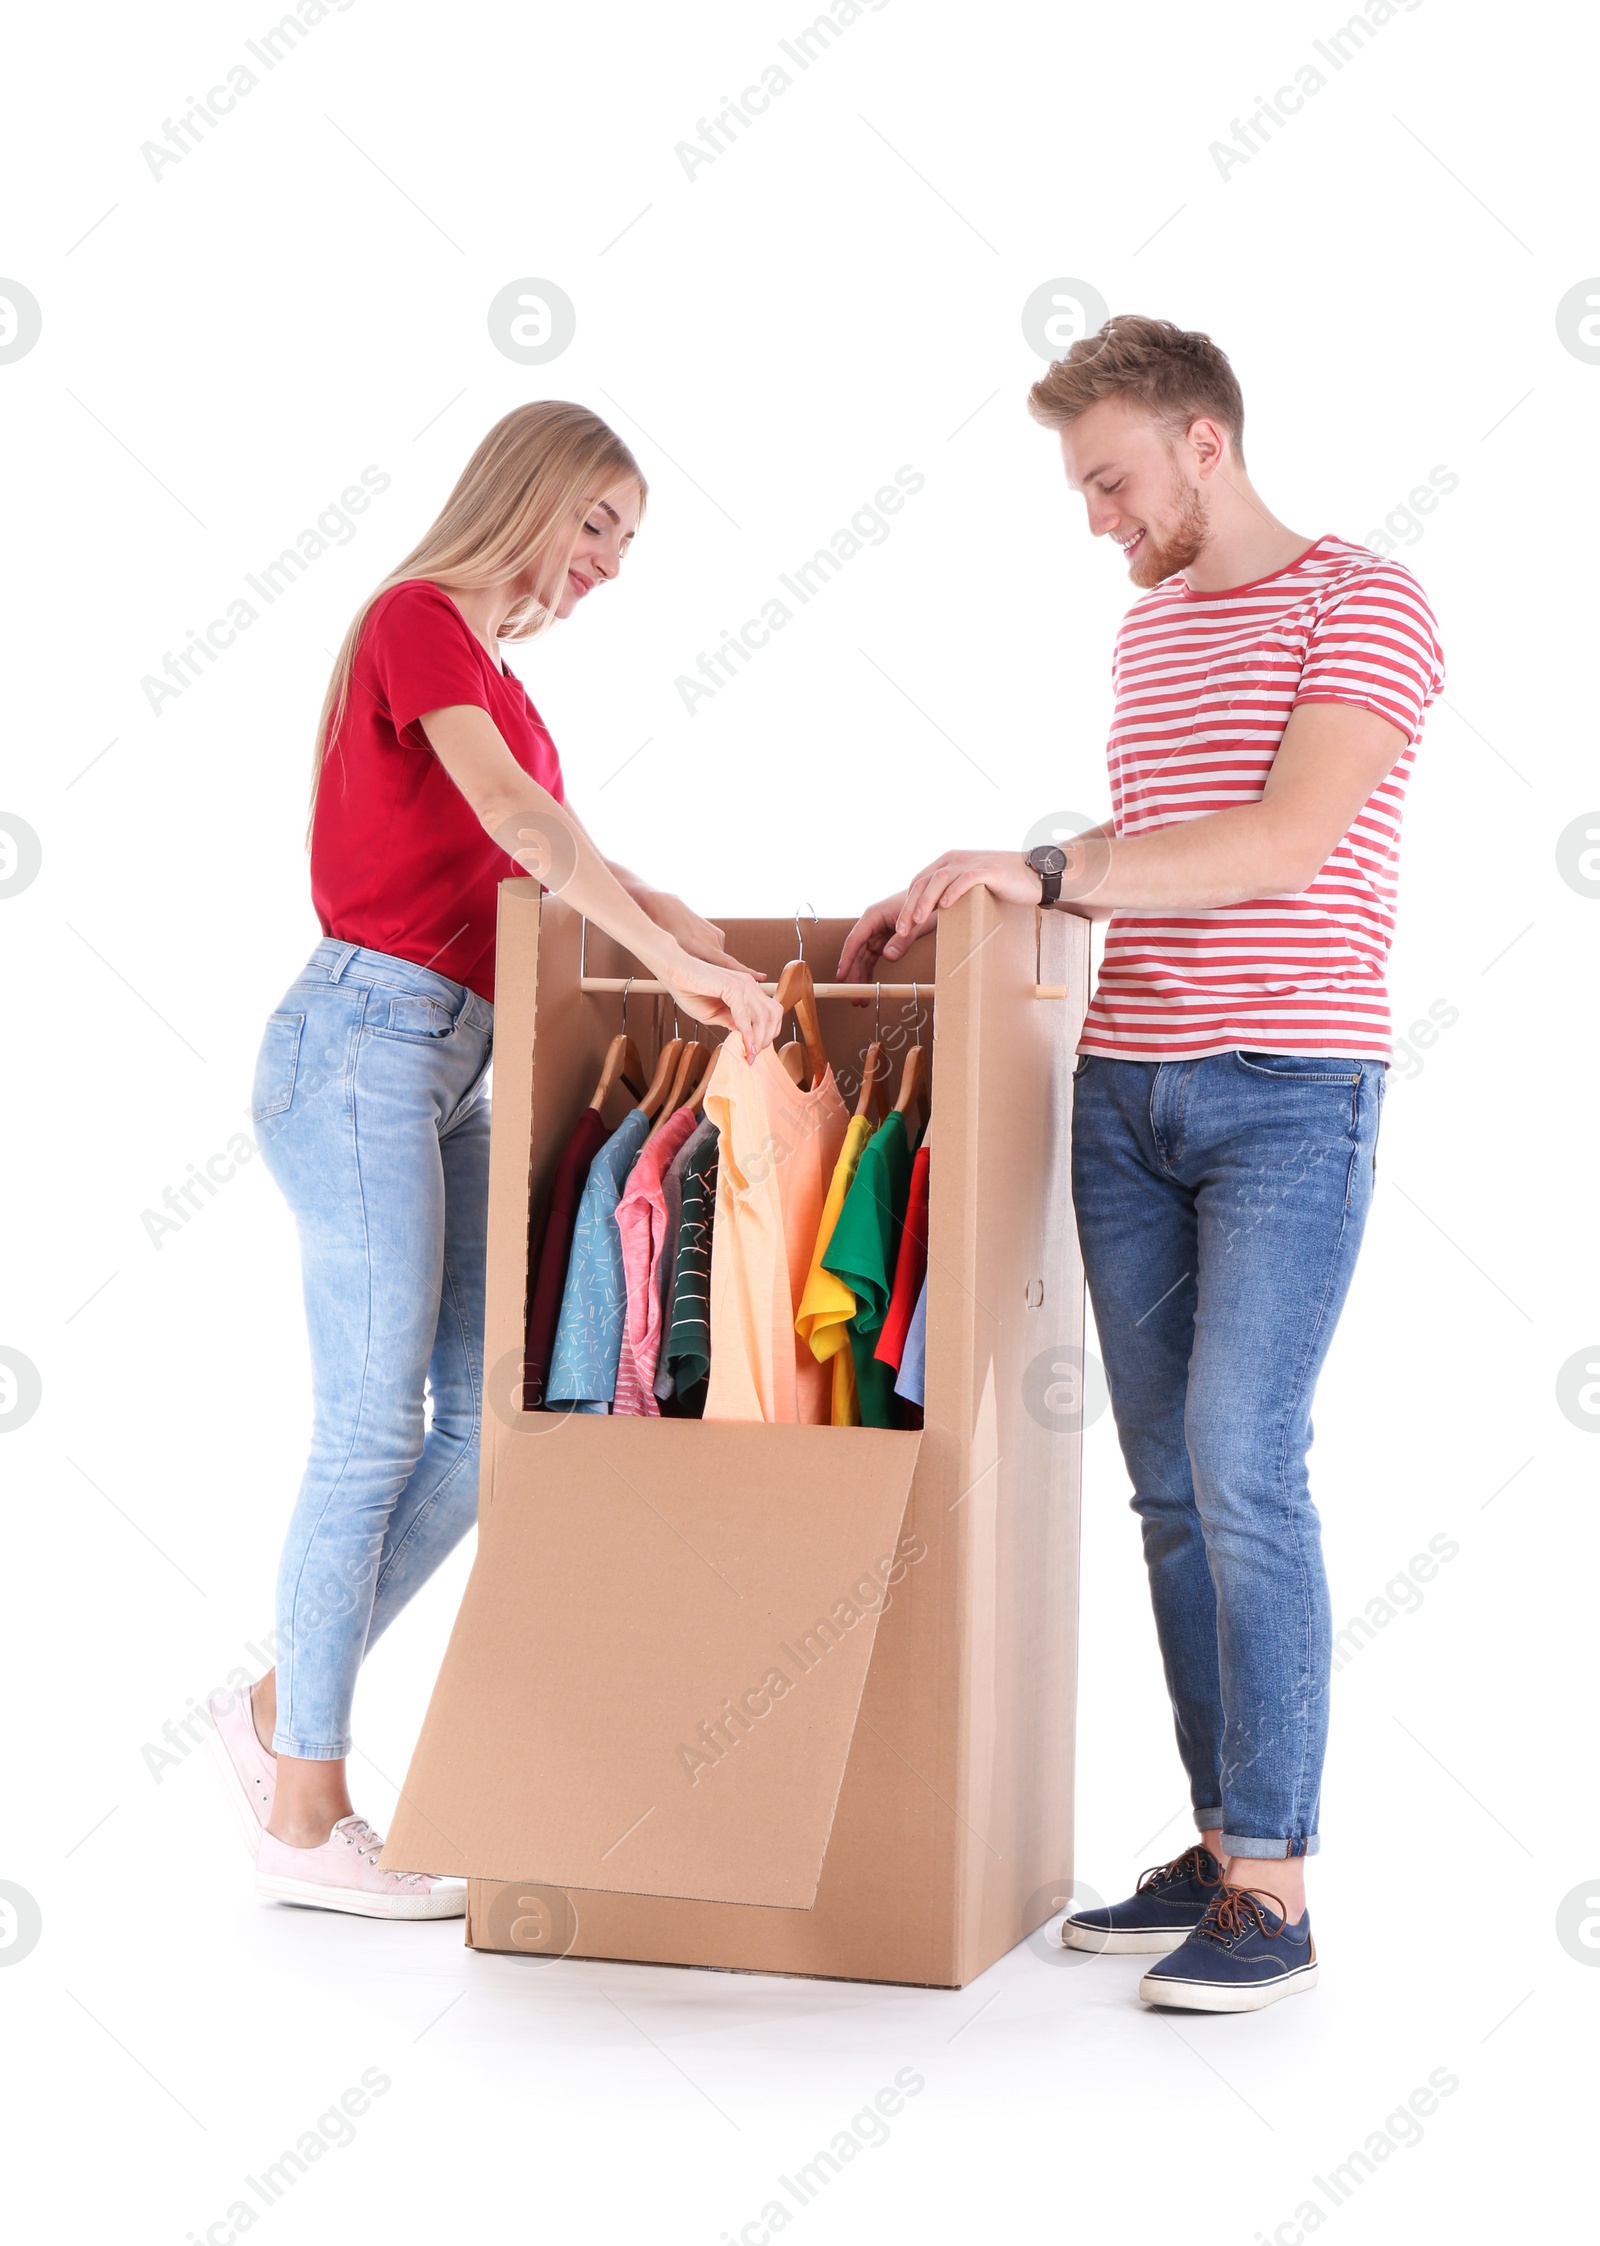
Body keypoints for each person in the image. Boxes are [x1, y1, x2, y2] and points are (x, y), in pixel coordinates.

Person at [840, 316, 1443, 2010]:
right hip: (1128, 1096)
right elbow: (1142, 870)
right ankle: (1215, 1841)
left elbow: (1278, 843)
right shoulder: (1148, 630)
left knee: (1247, 1460)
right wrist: (1015, 898)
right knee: (1173, 1491)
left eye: (1112, 480)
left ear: (1205, 444)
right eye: (1082, 488)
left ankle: (1278, 1883)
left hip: (1288, 1087)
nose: (1099, 516)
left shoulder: (1364, 600)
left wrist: (1043, 865)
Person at [205, 402, 782, 1919]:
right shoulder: (417, 623)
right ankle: (306, 1808)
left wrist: (695, 931)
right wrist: (663, 952)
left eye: (627, 544)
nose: (607, 564)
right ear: (524, 491)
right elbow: (526, 828)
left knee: (482, 1418)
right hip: (358, 1048)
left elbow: (560, 848)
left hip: (448, 1059)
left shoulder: (507, 688)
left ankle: (276, 1707)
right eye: (595, 522)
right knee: (367, 1428)